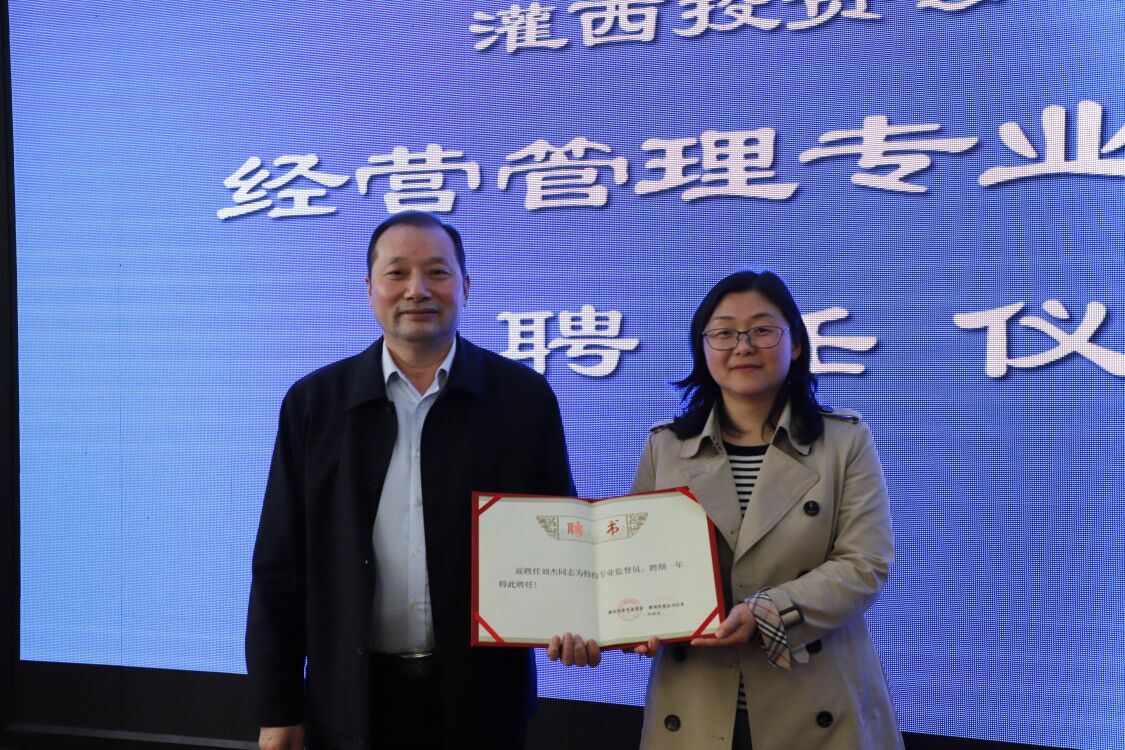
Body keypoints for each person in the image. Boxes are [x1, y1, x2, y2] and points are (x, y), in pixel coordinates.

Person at [246, 211, 575, 750]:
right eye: (397, 273)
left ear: (466, 287)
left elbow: (559, 539)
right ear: (369, 289)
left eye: (437, 273)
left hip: (482, 706)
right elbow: (279, 566)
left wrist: (577, 618)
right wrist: (278, 708)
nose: (417, 290)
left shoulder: (523, 398)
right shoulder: (314, 403)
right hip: (349, 706)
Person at [551, 270, 903, 749]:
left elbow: (864, 565)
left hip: (814, 699)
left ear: (796, 344)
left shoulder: (844, 442)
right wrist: (606, 626)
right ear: (703, 348)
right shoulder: (666, 447)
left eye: (762, 329)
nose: (743, 346)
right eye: (724, 333)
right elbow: (630, 569)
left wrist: (767, 612)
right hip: (695, 705)